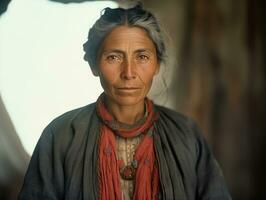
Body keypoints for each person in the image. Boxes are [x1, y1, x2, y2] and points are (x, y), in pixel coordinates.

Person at [18, 5, 231, 200]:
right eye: (114, 57)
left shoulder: (186, 134)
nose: (128, 73)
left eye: (142, 57)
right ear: (94, 65)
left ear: (157, 64)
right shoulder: (61, 135)